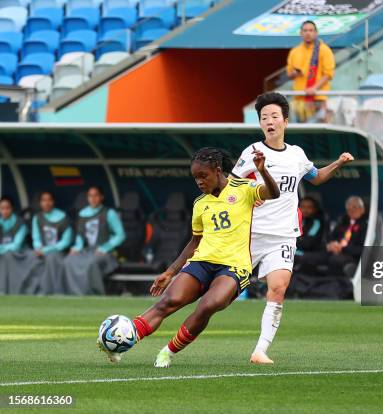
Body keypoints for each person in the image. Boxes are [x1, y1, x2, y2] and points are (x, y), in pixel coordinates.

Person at [98, 147, 280, 367]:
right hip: (201, 262)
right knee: (167, 302)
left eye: (203, 176)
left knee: (208, 305)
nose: (199, 182)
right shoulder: (200, 204)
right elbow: (195, 242)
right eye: (195, 178)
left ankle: (168, 351)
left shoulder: (244, 188)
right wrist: (170, 272)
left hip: (234, 266)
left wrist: (263, 171)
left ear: (218, 170)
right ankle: (120, 341)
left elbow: (273, 193)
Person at [231, 92, 354, 364]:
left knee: (278, 287)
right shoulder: (252, 153)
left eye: (274, 116)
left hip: (284, 235)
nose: (269, 121)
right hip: (251, 234)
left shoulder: (297, 154)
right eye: (264, 118)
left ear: (285, 121)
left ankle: (260, 350)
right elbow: (231, 185)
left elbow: (317, 177)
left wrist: (338, 163)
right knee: (222, 292)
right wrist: (253, 193)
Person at [63, 186, 125, 295]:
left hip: (105, 252)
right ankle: (73, 293)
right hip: (87, 251)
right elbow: (80, 235)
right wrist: (77, 247)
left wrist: (105, 247)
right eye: (90, 196)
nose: (93, 198)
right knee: (69, 260)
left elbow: (120, 235)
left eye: (96, 195)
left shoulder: (109, 213)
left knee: (91, 263)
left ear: (101, 197)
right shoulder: (83, 214)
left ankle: (94, 293)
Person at [287, 20, 336, 123]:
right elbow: (289, 74)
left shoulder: (324, 50)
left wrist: (314, 88)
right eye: (305, 30)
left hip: (317, 98)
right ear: (301, 33)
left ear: (316, 33)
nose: (308, 33)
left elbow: (328, 74)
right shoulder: (294, 51)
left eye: (311, 30)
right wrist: (295, 73)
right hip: (299, 99)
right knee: (299, 134)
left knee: (317, 134)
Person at [32, 191, 73, 294]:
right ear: (40, 203)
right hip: (41, 251)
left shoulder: (63, 217)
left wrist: (46, 250)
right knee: (28, 257)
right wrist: (38, 248)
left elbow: (66, 241)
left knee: (52, 257)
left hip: (58, 252)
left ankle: (49, 291)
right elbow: (35, 237)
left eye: (49, 200)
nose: (46, 203)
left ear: (53, 201)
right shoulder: (37, 217)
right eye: (44, 200)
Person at [0, 197, 32, 294]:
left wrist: (1, 249)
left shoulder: (20, 222)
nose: (5, 211)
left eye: (7, 208)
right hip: (4, 253)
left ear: (12, 208)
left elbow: (16, 245)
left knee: (8, 255)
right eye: (2, 208)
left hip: (19, 254)